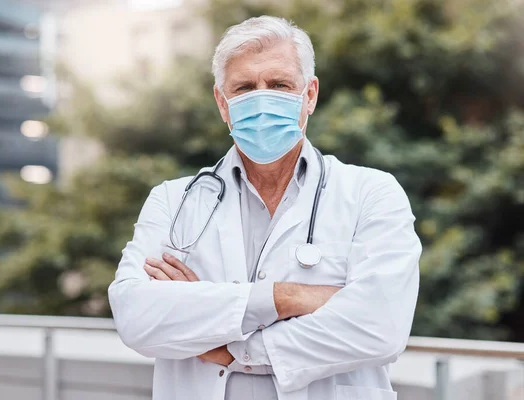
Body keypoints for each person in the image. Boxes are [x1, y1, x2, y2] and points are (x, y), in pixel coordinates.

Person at [108, 15, 421, 400]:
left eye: (279, 85)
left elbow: (379, 327)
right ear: (222, 103)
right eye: (243, 88)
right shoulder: (173, 200)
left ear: (309, 95)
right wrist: (284, 298)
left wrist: (229, 348)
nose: (261, 99)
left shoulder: (372, 193)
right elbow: (136, 318)